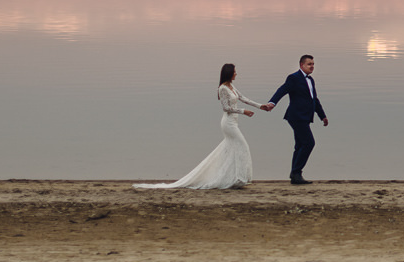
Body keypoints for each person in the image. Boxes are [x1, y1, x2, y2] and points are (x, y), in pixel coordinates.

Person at [135, 63, 263, 189]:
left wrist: (260, 106)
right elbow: (226, 108)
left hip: (234, 122)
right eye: (234, 71)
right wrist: (243, 111)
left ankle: (234, 178)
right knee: (242, 145)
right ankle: (239, 178)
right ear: (229, 73)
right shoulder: (223, 88)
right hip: (228, 123)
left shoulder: (231, 86)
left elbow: (242, 98)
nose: (236, 73)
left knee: (232, 149)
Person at [261, 54, 328, 185]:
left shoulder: (311, 80)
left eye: (313, 64)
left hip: (305, 117)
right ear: (302, 65)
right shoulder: (294, 78)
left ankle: (295, 175)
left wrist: (322, 116)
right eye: (309, 64)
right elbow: (282, 90)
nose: (312, 66)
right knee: (309, 143)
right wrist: (272, 103)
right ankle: (296, 172)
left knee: (300, 145)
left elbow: (314, 99)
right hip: (296, 116)